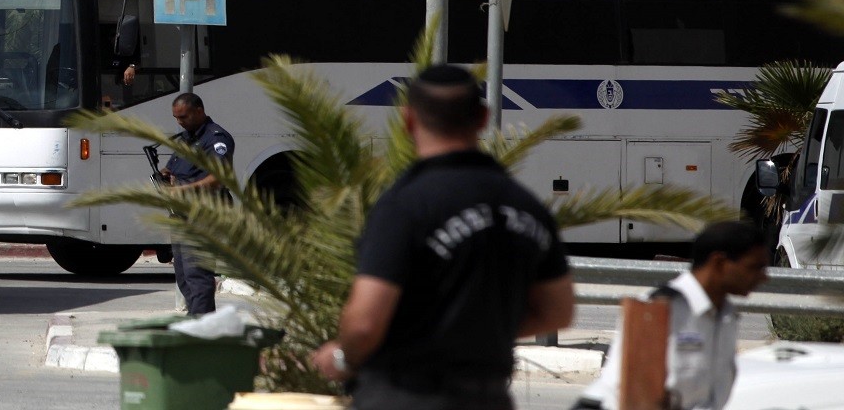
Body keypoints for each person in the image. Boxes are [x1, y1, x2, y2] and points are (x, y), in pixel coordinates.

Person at [313, 64, 574, 410]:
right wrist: (475, 333)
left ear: (408, 121)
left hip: (406, 397)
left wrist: (342, 357)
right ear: (482, 118)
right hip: (488, 399)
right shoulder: (526, 206)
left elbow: (364, 323)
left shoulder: (405, 206)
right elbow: (558, 312)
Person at [576, 221, 769, 410]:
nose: (763, 277)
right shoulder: (658, 308)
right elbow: (634, 396)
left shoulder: (727, 316)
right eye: (754, 267)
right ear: (719, 263)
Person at [161, 92, 234, 314]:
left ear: (199, 111)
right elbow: (173, 168)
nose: (180, 122)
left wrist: (183, 189)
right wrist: (164, 175)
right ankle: (196, 320)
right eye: (176, 118)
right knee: (183, 274)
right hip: (182, 214)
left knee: (198, 274)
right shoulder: (185, 139)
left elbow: (218, 177)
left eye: (183, 117)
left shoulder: (216, 139)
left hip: (204, 214)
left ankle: (203, 327)